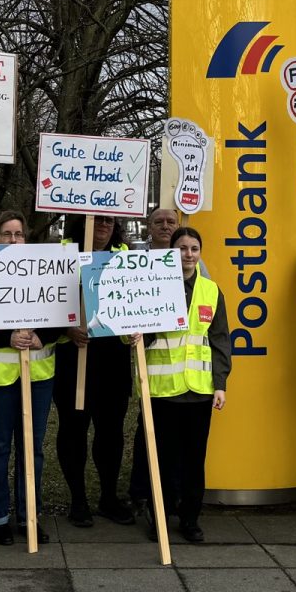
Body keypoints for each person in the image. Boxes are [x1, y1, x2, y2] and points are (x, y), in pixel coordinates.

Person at [129, 226, 231, 543]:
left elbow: (220, 341)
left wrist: (220, 384)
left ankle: (190, 518)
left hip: (199, 392)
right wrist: (131, 335)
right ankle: (160, 514)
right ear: (171, 252)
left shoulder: (212, 291)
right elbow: (133, 330)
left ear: (200, 253)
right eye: (182, 248)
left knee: (193, 460)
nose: (188, 255)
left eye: (194, 249)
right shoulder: (153, 286)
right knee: (161, 458)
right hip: (162, 391)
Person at [0, 210, 59, 545]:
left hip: (37, 375)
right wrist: (7, 338)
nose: (13, 240)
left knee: (31, 449)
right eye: (6, 234)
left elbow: (61, 311)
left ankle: (28, 515)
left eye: (18, 234)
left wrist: (42, 337)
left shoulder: (43, 269)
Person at [52, 214, 135, 527]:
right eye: (97, 219)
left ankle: (109, 497)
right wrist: (67, 327)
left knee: (111, 432)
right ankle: (78, 500)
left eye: (110, 220)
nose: (104, 225)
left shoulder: (125, 256)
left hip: (112, 359)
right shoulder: (61, 256)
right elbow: (43, 303)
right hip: (75, 356)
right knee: (73, 429)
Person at [127, 206, 181, 511]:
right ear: (149, 226)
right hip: (151, 359)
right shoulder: (137, 261)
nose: (165, 226)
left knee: (174, 435)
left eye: (170, 222)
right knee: (146, 427)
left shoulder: (189, 256)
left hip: (183, 363)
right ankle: (141, 490)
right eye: (158, 222)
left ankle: (170, 493)